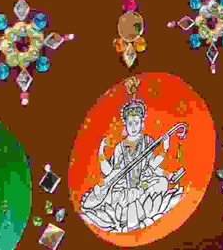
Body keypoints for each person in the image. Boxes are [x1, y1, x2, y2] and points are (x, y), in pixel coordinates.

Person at [79, 85, 186, 232]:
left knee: (161, 183)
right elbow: (112, 172)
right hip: (124, 188)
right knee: (116, 196)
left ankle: (136, 204)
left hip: (144, 184)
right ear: (125, 125)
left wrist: (165, 149)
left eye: (136, 122)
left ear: (142, 123)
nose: (133, 126)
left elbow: (153, 166)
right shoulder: (120, 147)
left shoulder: (148, 141)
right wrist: (101, 152)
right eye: (130, 123)